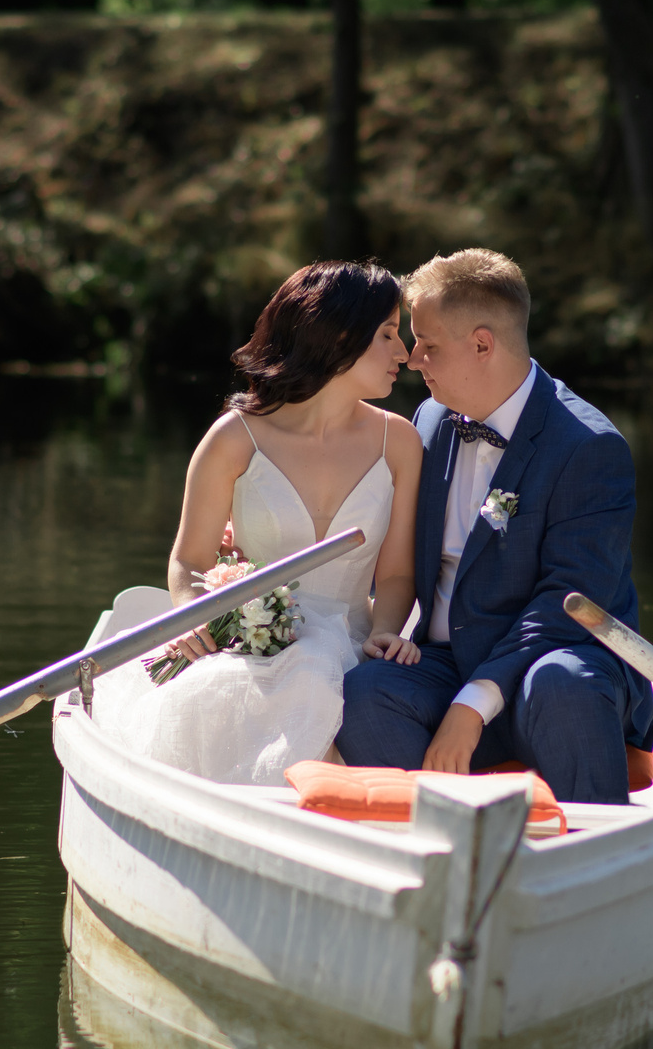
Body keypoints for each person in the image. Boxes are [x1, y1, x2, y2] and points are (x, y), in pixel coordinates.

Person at [335, 248, 653, 803]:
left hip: (552, 667)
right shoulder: (431, 420)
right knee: (365, 691)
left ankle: (592, 857)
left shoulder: (588, 448)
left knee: (563, 685)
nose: (413, 360)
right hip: (442, 665)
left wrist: (474, 702)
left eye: (429, 345)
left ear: (482, 344)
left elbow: (569, 601)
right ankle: (451, 848)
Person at [92, 261, 425, 784]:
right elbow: (190, 559)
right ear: (340, 335)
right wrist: (194, 617)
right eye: (387, 335)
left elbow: (399, 574)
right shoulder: (233, 439)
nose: (404, 354)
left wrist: (383, 635)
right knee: (217, 696)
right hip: (251, 644)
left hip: (352, 644)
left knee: (319, 676)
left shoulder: (400, 441)